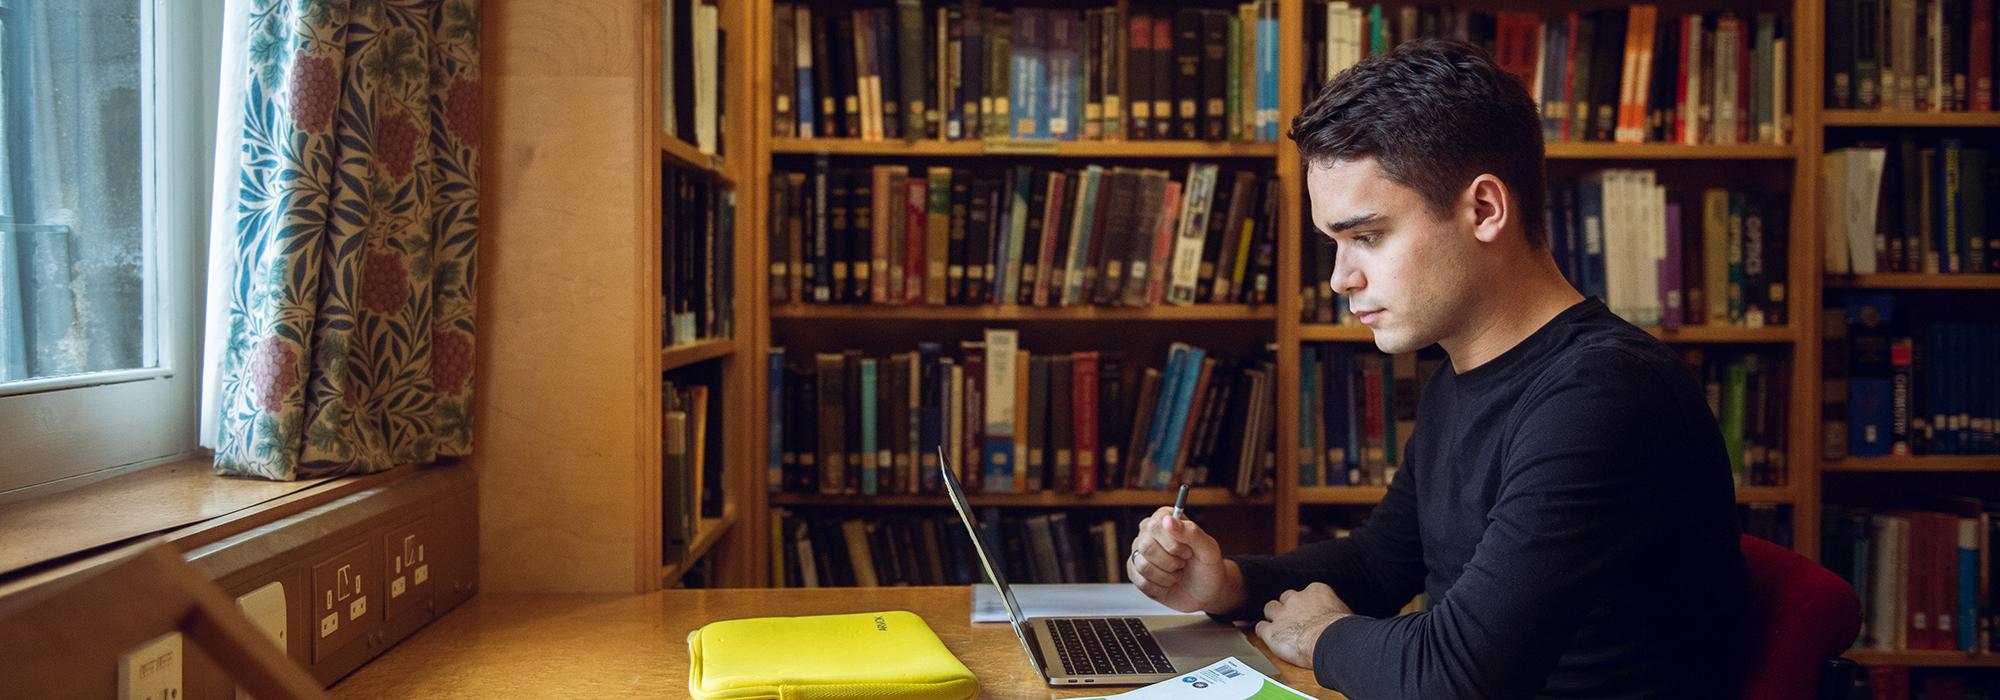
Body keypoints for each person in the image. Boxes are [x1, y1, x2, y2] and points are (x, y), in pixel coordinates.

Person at [1126, 39, 1747, 699]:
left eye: (1366, 237)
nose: (1340, 278)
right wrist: (1229, 585)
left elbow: (1459, 673)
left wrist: (1321, 638)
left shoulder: (1605, 396)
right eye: (1333, 244)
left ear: (1484, 210)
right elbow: (1379, 563)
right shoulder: (1463, 375)